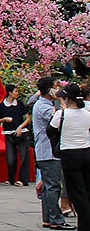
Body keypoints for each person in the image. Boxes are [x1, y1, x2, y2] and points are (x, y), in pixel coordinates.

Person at [33, 77, 72, 230]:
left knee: (48, 186)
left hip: (46, 151)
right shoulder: (44, 107)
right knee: (53, 186)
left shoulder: (44, 104)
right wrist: (62, 102)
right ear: (50, 90)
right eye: (56, 86)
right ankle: (56, 219)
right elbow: (61, 119)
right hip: (48, 151)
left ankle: (48, 218)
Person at [53, 82, 90, 231]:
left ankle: (85, 225)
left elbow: (50, 130)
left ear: (67, 98)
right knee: (87, 190)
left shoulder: (62, 114)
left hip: (69, 153)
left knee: (76, 193)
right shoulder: (87, 114)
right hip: (86, 152)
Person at [0, 84, 32, 186]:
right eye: (15, 91)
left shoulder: (19, 104)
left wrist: (20, 127)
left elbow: (28, 118)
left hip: (21, 133)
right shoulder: (2, 105)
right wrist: (5, 119)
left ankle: (23, 179)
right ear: (10, 93)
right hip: (8, 133)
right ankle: (11, 178)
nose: (17, 93)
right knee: (10, 158)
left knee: (24, 156)